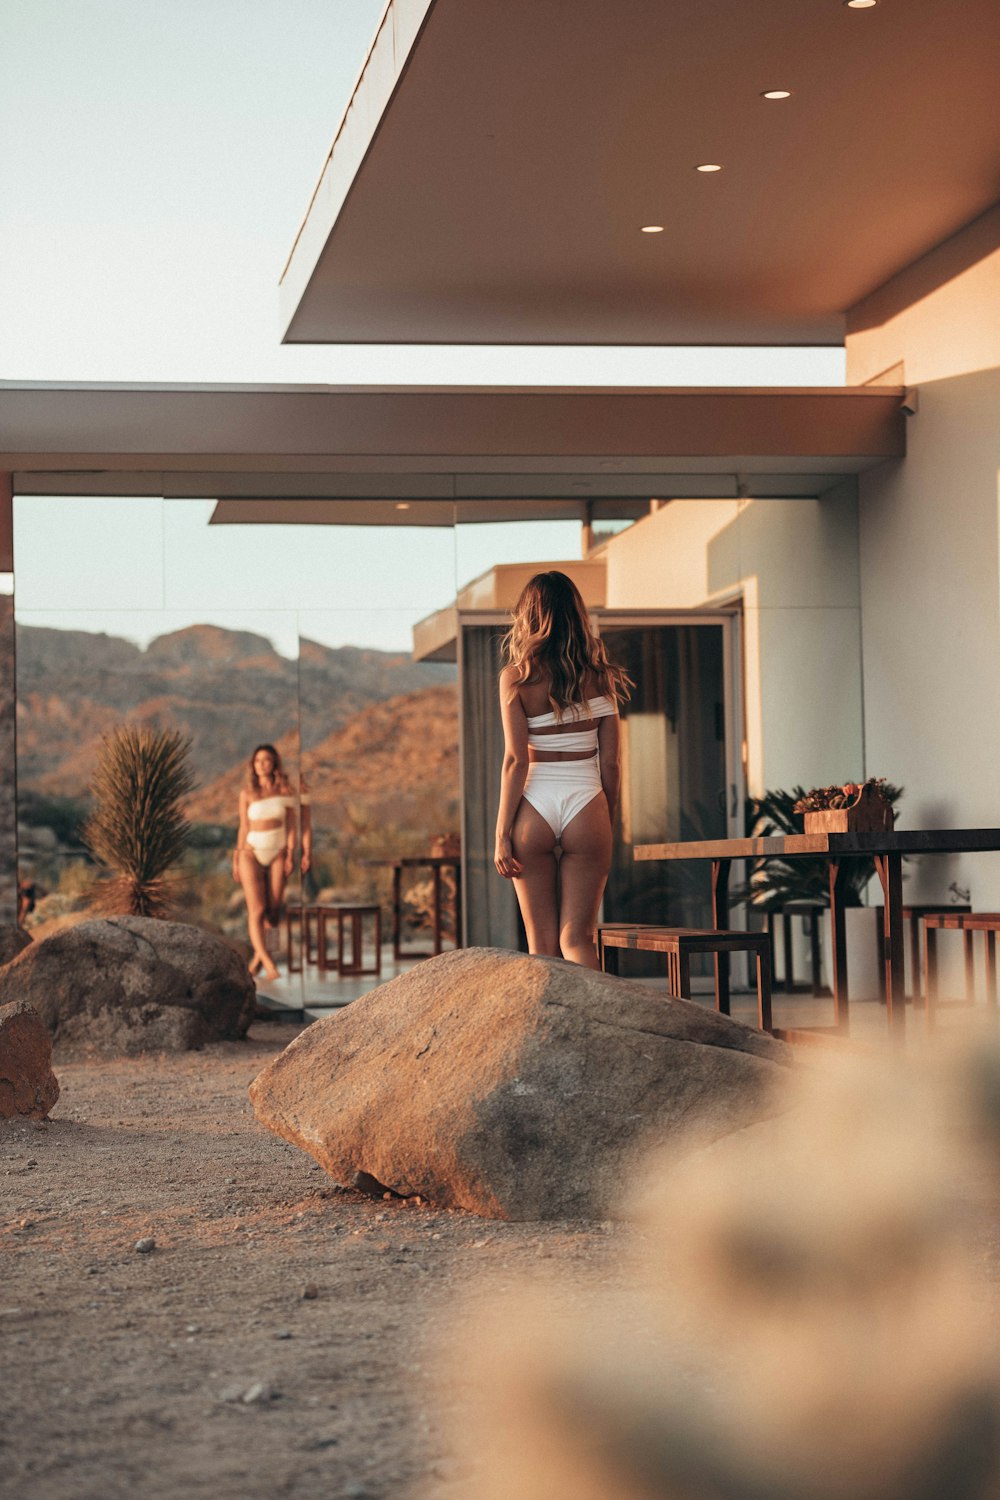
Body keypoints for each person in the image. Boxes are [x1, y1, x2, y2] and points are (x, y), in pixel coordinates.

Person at [495, 571, 631, 968]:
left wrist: (502, 834)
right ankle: (596, 1025)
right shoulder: (601, 678)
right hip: (587, 803)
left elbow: (516, 760)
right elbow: (610, 763)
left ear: (529, 617)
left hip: (533, 806)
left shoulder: (516, 678)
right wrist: (610, 816)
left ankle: (552, 1028)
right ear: (577, 615)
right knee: (577, 939)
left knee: (542, 948)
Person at [233, 743, 296, 982]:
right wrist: (236, 857)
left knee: (274, 911)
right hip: (251, 851)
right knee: (257, 910)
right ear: (253, 765)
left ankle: (259, 958)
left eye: (267, 760)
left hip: (278, 852)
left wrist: (291, 854)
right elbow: (243, 827)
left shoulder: (285, 790)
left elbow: (291, 827)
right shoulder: (247, 793)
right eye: (258, 761)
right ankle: (269, 964)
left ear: (274, 764)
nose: (262, 765)